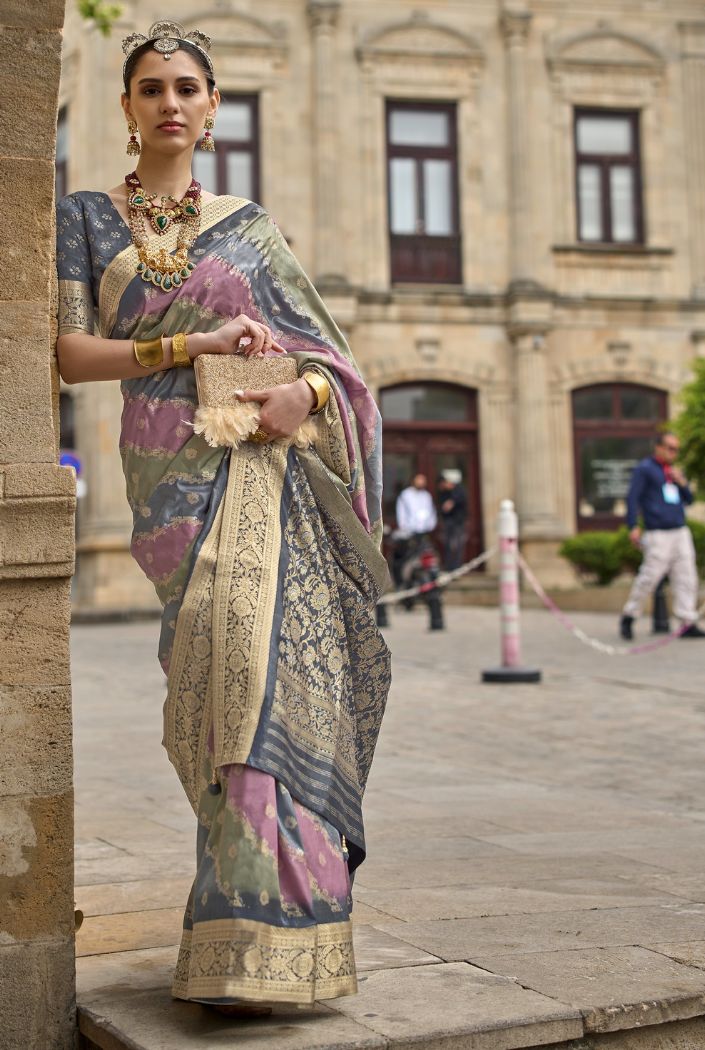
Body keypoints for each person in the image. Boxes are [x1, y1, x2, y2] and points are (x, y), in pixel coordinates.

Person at [56, 21, 391, 1012]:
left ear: (212, 107)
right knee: (207, 693)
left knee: (256, 673)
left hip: (256, 470)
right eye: (150, 86)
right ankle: (245, 916)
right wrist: (189, 344)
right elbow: (72, 356)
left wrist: (308, 401)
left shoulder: (250, 227)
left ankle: (265, 941)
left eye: (187, 86)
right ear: (125, 108)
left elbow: (334, 361)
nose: (169, 100)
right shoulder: (85, 217)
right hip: (165, 487)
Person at [620, 431, 704, 640]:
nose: (673, 453)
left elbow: (689, 500)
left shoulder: (673, 472)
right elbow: (633, 497)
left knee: (687, 577)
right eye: (670, 448)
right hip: (658, 532)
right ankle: (629, 616)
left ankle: (687, 621)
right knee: (649, 577)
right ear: (658, 447)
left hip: (680, 530)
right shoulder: (645, 469)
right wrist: (633, 525)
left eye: (676, 449)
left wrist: (682, 482)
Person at [438, 469, 467, 571]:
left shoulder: (459, 491)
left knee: (457, 546)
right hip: (448, 523)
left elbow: (460, 500)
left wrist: (452, 502)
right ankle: (449, 567)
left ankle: (456, 567)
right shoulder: (444, 493)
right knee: (448, 546)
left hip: (457, 523)